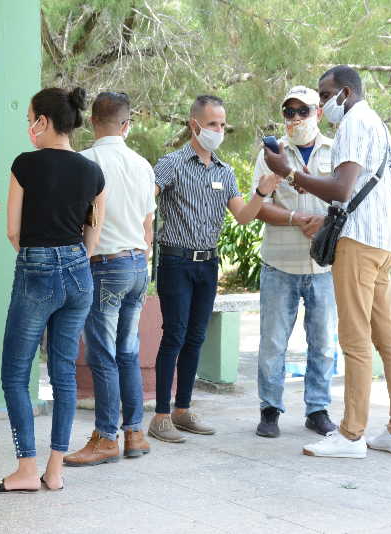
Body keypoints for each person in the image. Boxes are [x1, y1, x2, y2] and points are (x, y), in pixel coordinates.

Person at [264, 65, 391, 459]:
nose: (323, 101)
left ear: (345, 93)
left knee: (354, 338)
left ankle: (351, 435)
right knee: (387, 338)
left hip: (360, 242)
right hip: (384, 242)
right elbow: (351, 187)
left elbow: (342, 187)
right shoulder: (377, 123)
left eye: (325, 94)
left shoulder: (352, 124)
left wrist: (290, 173)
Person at [0, 87, 106, 493]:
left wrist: (38, 258)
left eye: (29, 118)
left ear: (43, 122)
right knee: (64, 373)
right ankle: (55, 471)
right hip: (79, 274)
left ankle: (25, 470)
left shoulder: (25, 164)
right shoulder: (93, 171)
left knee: (16, 375)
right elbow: (94, 232)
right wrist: (71, 259)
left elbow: (13, 230)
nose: (27, 127)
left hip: (37, 267)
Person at [148, 95, 281, 443]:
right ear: (194, 125)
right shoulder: (172, 163)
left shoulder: (224, 171)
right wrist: (144, 232)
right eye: (212, 124)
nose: (218, 131)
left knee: (196, 337)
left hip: (208, 264)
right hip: (176, 261)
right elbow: (146, 198)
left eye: (222, 125)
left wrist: (262, 193)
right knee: (174, 335)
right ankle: (160, 415)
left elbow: (243, 215)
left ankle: (182, 409)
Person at [63, 91, 155, 467]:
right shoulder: (142, 164)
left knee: (102, 355)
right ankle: (135, 432)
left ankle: (105, 437)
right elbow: (149, 225)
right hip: (137, 265)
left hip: (104, 265)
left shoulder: (84, 161)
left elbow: (78, 220)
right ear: (126, 125)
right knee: (127, 352)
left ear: (92, 122)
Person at [251, 86, 338, 438]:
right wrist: (296, 220)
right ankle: (269, 409)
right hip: (279, 263)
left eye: (303, 110)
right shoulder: (271, 154)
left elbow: (345, 197)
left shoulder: (337, 150)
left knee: (324, 342)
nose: (296, 118)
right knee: (273, 341)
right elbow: (260, 204)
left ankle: (317, 410)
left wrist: (324, 221)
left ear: (319, 113)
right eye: (289, 112)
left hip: (324, 267)